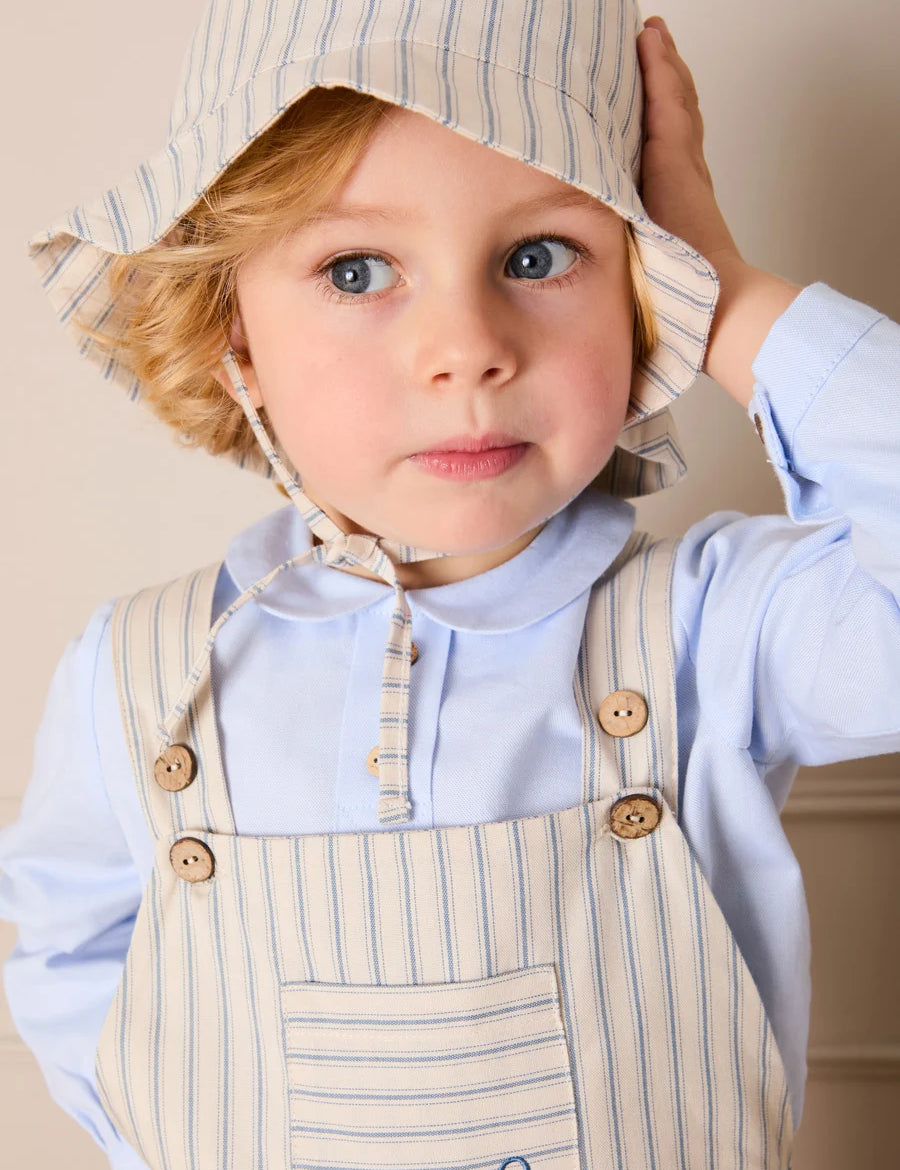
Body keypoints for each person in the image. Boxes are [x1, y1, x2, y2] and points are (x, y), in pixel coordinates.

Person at [1, 1, 897, 1167]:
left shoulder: (716, 631)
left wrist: (725, 289)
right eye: (357, 268)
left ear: (637, 299)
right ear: (235, 340)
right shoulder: (145, 674)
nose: (467, 344)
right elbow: (72, 960)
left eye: (539, 256)